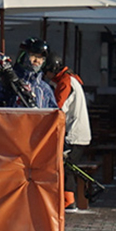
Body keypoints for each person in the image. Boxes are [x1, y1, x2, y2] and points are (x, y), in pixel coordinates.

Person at [42, 53, 92, 212]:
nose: (45, 75)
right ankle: (67, 200)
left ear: (53, 69)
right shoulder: (71, 79)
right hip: (79, 133)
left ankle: (68, 201)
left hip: (73, 134)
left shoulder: (65, 82)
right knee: (67, 167)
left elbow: (58, 108)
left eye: (46, 71)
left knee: (65, 167)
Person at [0, 37, 57, 108]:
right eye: (33, 56)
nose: (37, 60)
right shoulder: (10, 82)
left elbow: (54, 111)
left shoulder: (44, 89)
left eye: (40, 58)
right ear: (23, 56)